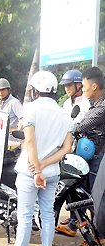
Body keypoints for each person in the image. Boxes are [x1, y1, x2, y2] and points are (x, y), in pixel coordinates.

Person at [0, 70, 72, 246]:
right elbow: (67, 148)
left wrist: (37, 170)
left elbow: (29, 141)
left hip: (28, 171)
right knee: (47, 213)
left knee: (25, 214)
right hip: (52, 172)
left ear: (36, 90)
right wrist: (44, 165)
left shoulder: (31, 109)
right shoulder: (64, 114)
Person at [56, 67, 105, 239]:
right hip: (88, 155)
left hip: (99, 157)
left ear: (94, 86)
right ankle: (80, 224)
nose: (82, 89)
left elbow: (80, 126)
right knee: (82, 189)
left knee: (96, 195)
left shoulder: (102, 107)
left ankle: (99, 233)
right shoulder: (94, 103)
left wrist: (59, 131)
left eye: (83, 85)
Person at [55, 69, 91, 235]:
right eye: (65, 86)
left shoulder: (86, 103)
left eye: (69, 85)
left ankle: (81, 225)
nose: (67, 88)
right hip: (68, 149)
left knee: (81, 187)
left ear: (78, 85)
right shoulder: (66, 104)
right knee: (69, 185)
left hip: (83, 151)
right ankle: (73, 219)